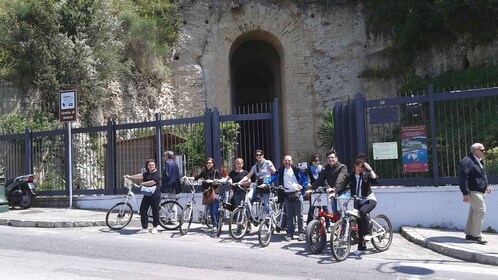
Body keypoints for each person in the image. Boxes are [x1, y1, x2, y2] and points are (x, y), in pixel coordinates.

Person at [336, 157, 378, 255]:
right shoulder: (350, 176)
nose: (360, 168)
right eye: (359, 166)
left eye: (362, 167)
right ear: (354, 166)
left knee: (363, 212)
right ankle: (362, 248)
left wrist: (370, 169)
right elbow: (341, 186)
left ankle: (367, 233)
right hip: (357, 200)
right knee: (359, 222)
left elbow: (376, 180)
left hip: (369, 199)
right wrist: (333, 191)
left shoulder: (366, 175)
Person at [265, 155, 309, 241]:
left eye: (289, 160)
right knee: (289, 216)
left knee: (299, 215)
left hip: (297, 194)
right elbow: (273, 177)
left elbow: (305, 179)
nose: (287, 162)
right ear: (283, 161)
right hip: (287, 195)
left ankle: (301, 233)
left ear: (292, 161)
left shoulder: (296, 170)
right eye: (286, 160)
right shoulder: (281, 170)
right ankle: (290, 234)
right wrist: (266, 182)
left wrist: (302, 186)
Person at [459, 143, 493, 245]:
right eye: (482, 150)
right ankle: (477, 235)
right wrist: (465, 193)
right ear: (475, 151)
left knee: (474, 212)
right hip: (473, 191)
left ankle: (469, 234)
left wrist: (485, 186)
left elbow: (479, 176)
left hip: (479, 190)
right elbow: (463, 178)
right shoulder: (468, 161)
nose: (484, 151)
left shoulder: (477, 161)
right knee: (481, 210)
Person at [126, 159, 162, 234]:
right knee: (143, 210)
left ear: (155, 165)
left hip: (155, 194)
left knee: (155, 210)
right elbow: (139, 176)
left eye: (152, 165)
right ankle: (144, 227)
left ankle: (155, 227)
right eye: (150, 165)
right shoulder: (146, 174)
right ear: (147, 166)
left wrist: (143, 183)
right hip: (147, 194)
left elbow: (153, 182)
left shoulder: (157, 174)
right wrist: (130, 177)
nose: (151, 166)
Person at [311, 150, 349, 216]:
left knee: (344, 215)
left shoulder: (342, 167)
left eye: (332, 157)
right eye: (328, 158)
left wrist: (334, 189)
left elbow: (340, 180)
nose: (330, 159)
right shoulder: (327, 168)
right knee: (335, 215)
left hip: (344, 193)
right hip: (333, 194)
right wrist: (312, 188)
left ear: (336, 158)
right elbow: (320, 179)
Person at [239, 149, 277, 215]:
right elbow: (248, 176)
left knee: (266, 203)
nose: (258, 156)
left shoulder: (268, 162)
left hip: (267, 181)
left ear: (263, 155)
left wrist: (268, 182)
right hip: (259, 183)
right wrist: (240, 182)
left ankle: (269, 217)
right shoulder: (255, 166)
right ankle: (250, 216)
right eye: (257, 155)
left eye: (260, 155)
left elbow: (274, 173)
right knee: (249, 198)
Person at [305, 154, 331, 231]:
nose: (317, 162)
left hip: (322, 189)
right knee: (312, 208)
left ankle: (328, 225)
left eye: (318, 161)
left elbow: (325, 179)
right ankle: (308, 224)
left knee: (325, 208)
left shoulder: (322, 169)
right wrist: (308, 184)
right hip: (313, 189)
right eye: (315, 161)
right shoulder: (309, 170)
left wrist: (327, 187)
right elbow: (306, 178)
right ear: (312, 162)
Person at [194, 157, 221, 232]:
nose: (208, 164)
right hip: (206, 193)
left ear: (213, 164)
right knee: (210, 210)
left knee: (215, 210)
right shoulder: (204, 172)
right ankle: (214, 225)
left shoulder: (216, 171)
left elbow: (219, 180)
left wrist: (213, 181)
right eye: (207, 163)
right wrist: (189, 178)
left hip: (214, 192)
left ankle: (217, 225)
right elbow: (197, 177)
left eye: (210, 163)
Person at [161, 151, 181, 224]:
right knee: (172, 202)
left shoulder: (168, 163)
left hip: (168, 185)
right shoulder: (175, 164)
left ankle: (163, 215)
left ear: (167, 156)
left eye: (164, 156)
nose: (163, 157)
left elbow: (167, 174)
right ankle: (173, 219)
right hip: (174, 185)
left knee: (159, 198)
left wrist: (161, 178)